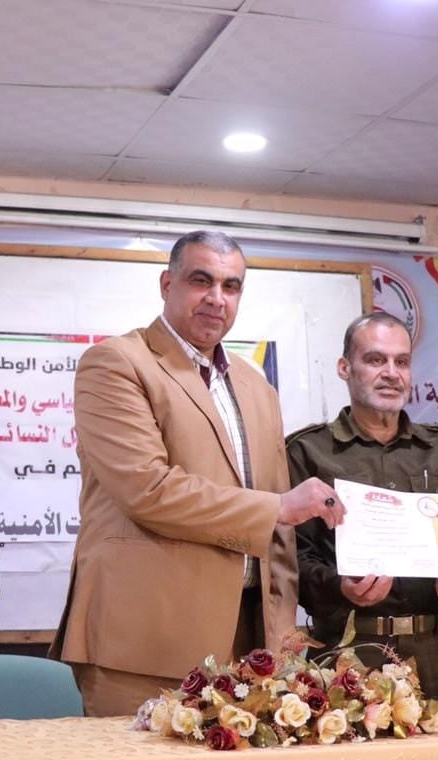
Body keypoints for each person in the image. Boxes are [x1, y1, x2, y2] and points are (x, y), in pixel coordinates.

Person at [52, 230, 343, 716]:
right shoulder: (117, 363)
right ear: (167, 284)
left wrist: (282, 636)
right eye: (201, 280)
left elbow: (279, 536)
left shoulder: (255, 386)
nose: (216, 298)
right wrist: (278, 506)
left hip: (250, 646)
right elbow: (149, 489)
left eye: (231, 286)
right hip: (145, 641)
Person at [286, 311, 438, 699]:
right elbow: (292, 562)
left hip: (429, 657)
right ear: (345, 367)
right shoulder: (308, 451)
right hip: (344, 655)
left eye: (402, 362)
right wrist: (341, 588)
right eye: (376, 360)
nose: (392, 373)